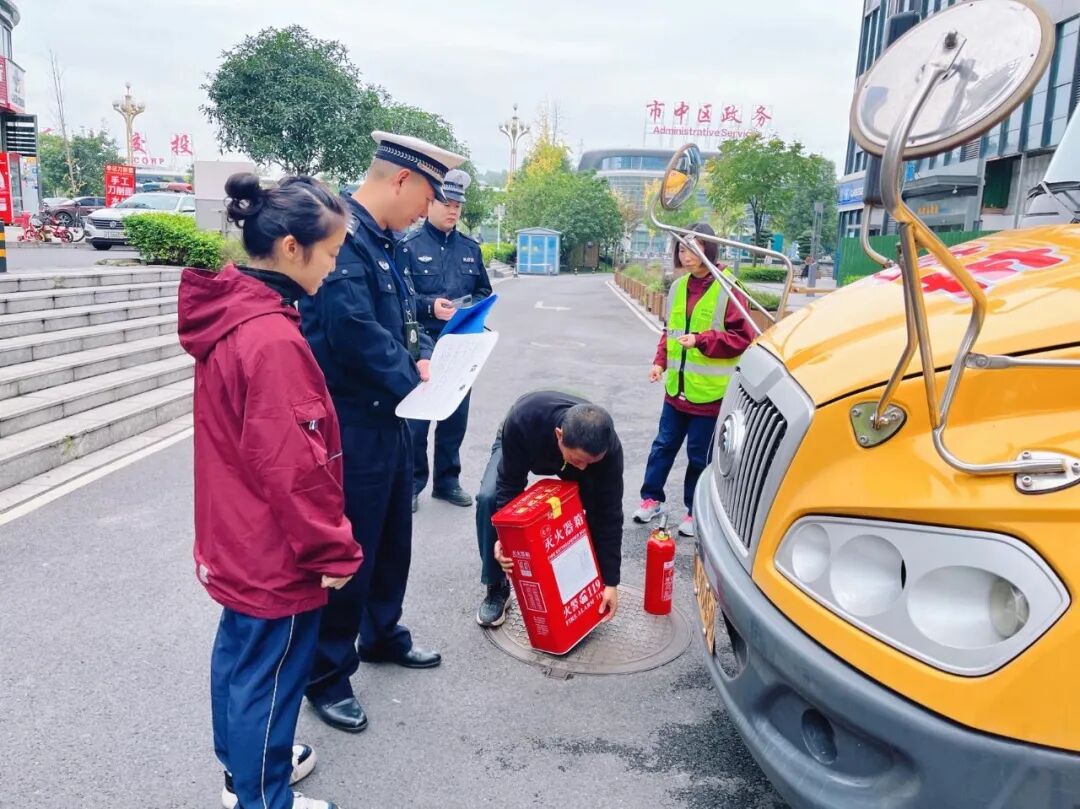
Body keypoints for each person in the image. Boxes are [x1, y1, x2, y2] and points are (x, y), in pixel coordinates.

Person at [178, 173, 363, 809]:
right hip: (273, 548)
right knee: (272, 677)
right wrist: (333, 550)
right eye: (330, 252)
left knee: (240, 659)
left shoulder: (233, 313)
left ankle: (245, 774)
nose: (333, 267)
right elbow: (294, 469)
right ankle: (263, 797)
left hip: (234, 531)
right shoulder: (273, 339)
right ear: (291, 248)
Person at [299, 132, 465, 734]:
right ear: (400, 180)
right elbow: (353, 332)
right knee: (352, 548)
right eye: (425, 196)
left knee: (393, 534)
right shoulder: (344, 237)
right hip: (352, 422)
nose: (426, 210)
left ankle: (381, 632)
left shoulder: (384, 240)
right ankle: (327, 673)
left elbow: (397, 321)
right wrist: (413, 380)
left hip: (390, 414)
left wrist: (421, 360)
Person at [633, 223, 755, 537]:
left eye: (692, 248)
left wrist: (702, 340)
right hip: (677, 389)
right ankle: (651, 499)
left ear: (709, 249)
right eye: (682, 249)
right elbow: (670, 331)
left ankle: (693, 510)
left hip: (709, 395)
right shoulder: (678, 287)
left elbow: (743, 338)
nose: (685, 255)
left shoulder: (729, 288)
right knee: (663, 446)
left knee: (699, 456)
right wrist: (660, 362)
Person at [475, 391, 624, 628]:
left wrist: (610, 581)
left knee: (593, 504)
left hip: (575, 449)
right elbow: (509, 483)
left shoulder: (607, 450)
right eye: (579, 461)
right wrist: (505, 538)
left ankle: (587, 583)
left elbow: (609, 514)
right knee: (489, 498)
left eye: (590, 463)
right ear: (559, 435)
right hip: (525, 440)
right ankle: (496, 587)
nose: (583, 468)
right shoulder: (523, 420)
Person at [397, 169, 492, 512]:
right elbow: (401, 299)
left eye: (458, 206)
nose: (453, 210)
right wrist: (429, 306)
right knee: (417, 421)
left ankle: (447, 481)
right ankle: (412, 483)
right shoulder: (408, 247)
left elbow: (483, 291)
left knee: (455, 416)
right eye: (447, 203)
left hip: (461, 345)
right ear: (430, 204)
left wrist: (469, 307)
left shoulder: (470, 249)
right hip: (422, 344)